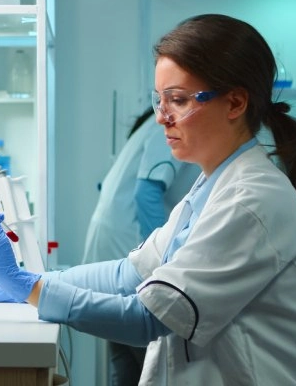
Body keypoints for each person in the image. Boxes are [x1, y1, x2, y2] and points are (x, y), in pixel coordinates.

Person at [0, 14, 296, 385]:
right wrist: (24, 282)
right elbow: (129, 274)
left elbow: (147, 318)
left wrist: (28, 288)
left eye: (178, 100)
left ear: (236, 103)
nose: (161, 117)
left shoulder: (251, 200)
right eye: (159, 100)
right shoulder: (211, 185)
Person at [82, 108, 199, 386]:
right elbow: (146, 193)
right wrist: (169, 267)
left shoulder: (152, 124)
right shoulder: (174, 120)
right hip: (129, 250)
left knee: (126, 366)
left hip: (115, 250)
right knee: (151, 364)